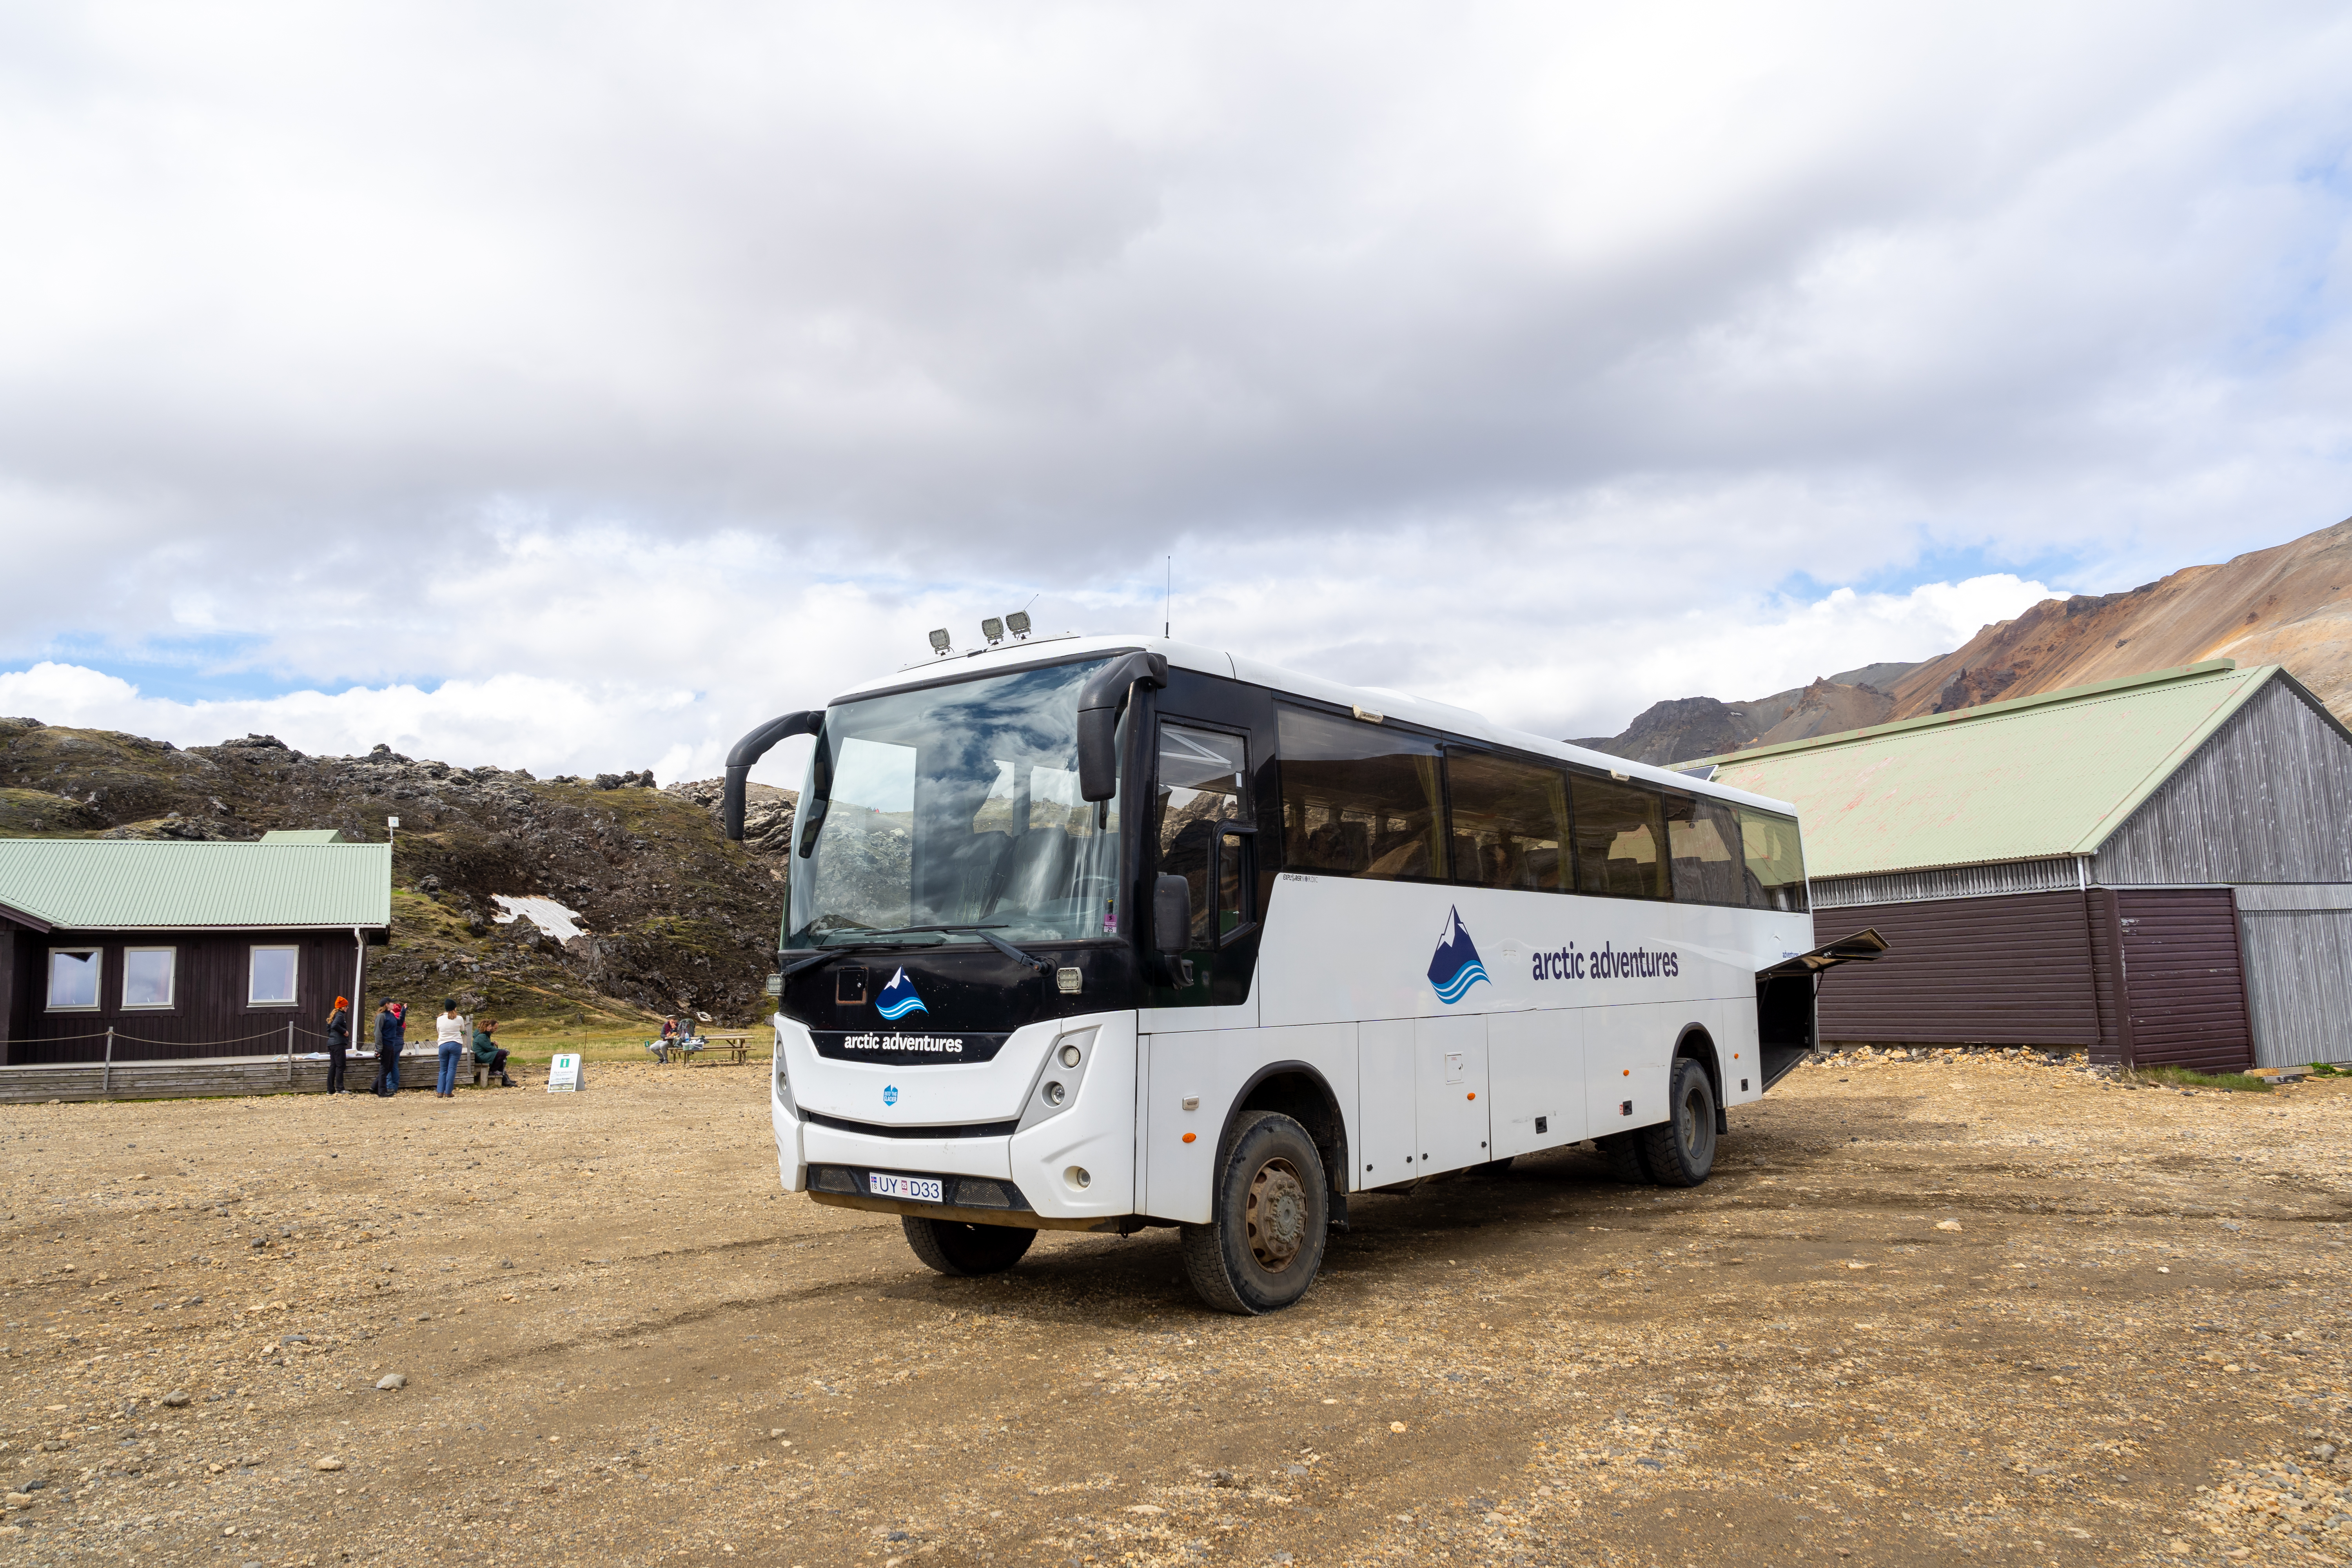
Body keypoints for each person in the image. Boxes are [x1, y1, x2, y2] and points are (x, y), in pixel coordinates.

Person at [434, 998, 468, 1097]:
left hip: (443, 1045)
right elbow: (462, 1030)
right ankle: (449, 1092)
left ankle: (440, 1091)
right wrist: (459, 1032)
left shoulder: (439, 1019)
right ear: (455, 1008)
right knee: (452, 1069)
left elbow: (439, 1031)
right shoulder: (460, 1018)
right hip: (456, 1044)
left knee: (443, 1069)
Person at [472, 1016, 513, 1087]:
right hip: (481, 1057)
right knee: (502, 1054)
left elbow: (486, 1046)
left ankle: (502, 1077)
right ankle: (493, 1071)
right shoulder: (482, 1036)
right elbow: (489, 1049)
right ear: (486, 1027)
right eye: (490, 1027)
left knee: (501, 1055)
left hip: (482, 1055)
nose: (491, 1028)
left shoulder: (483, 1036)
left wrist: (492, 1044)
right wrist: (503, 1051)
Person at [374, 1000, 404, 1096]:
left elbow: (399, 1023)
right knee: (384, 1068)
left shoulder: (391, 1015)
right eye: (392, 1003)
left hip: (392, 1044)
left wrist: (404, 1012)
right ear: (387, 1005)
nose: (393, 1005)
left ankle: (374, 1088)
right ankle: (382, 1091)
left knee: (390, 1066)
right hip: (385, 1045)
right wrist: (379, 1048)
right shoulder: (381, 1016)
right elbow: (378, 1033)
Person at [324, 994, 351, 1095]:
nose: (348, 1008)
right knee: (341, 1066)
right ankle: (340, 1089)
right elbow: (335, 1026)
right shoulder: (340, 1015)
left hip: (332, 1043)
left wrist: (333, 1037)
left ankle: (330, 1090)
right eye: (347, 1006)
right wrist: (344, 1032)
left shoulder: (333, 1015)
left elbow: (329, 1029)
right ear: (343, 1007)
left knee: (334, 1066)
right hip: (338, 1044)